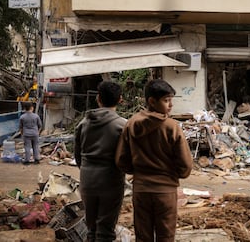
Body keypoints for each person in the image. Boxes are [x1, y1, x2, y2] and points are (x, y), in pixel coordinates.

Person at [115, 79, 193, 242]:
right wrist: (172, 175)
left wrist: (138, 171)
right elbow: (185, 167)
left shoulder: (130, 124)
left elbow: (122, 160)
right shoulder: (172, 127)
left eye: (171, 100)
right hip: (165, 192)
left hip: (141, 190)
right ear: (152, 101)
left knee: (143, 236)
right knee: (165, 236)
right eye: (166, 101)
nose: (170, 105)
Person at [74, 81, 127, 241]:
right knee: (106, 230)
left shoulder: (83, 123)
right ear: (120, 100)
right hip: (111, 180)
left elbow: (78, 156)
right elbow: (125, 158)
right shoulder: (122, 125)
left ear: (98, 99)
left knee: (91, 228)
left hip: (87, 179)